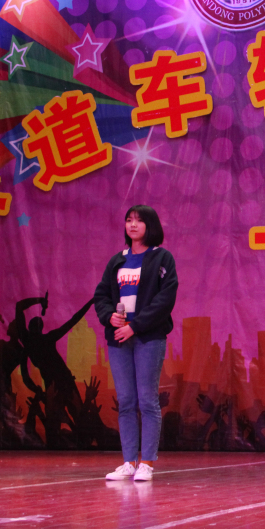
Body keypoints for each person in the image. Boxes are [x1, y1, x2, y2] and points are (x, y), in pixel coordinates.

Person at [94, 205, 178, 482]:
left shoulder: (162, 258)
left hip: (147, 338)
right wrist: (109, 317)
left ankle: (147, 463)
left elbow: (164, 301)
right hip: (119, 338)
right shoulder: (117, 260)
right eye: (129, 220)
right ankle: (128, 461)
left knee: (147, 400)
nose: (132, 225)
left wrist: (135, 326)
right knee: (126, 401)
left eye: (139, 221)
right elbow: (101, 295)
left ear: (150, 226)